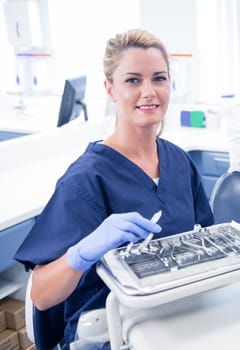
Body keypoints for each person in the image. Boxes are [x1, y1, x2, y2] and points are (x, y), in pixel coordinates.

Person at [14, 28, 214, 348]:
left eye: (159, 78)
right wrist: (82, 254)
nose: (148, 91)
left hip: (174, 313)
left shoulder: (178, 161)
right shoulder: (85, 180)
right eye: (133, 80)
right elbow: (40, 295)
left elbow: (204, 237)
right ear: (110, 89)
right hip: (107, 329)